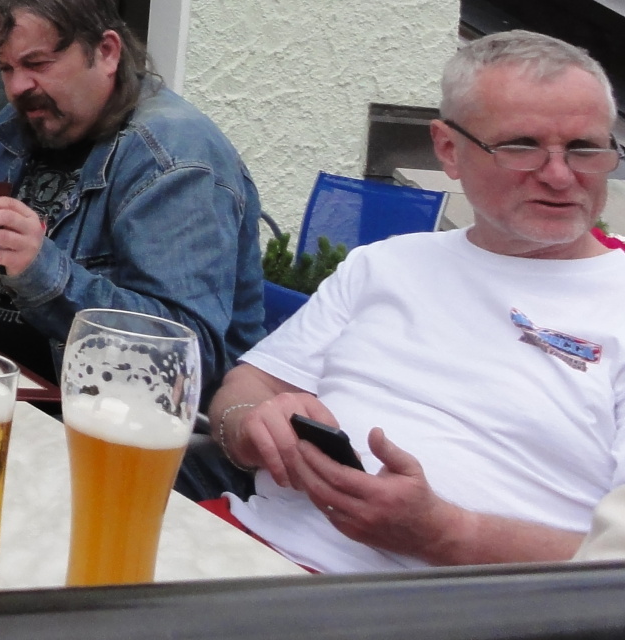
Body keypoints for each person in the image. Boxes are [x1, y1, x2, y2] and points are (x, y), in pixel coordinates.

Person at [207, 30, 625, 572]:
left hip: (451, 605)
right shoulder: (385, 264)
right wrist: (252, 426)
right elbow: (249, 387)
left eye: (585, 149)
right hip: (238, 546)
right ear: (448, 148)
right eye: (522, 146)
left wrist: (448, 534)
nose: (560, 175)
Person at [0, 0, 266, 398]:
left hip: (102, 419)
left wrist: (42, 270)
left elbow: (184, 355)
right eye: (5, 68)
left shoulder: (175, 158)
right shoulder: (12, 132)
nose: (18, 87)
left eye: (36, 63)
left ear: (106, 52)